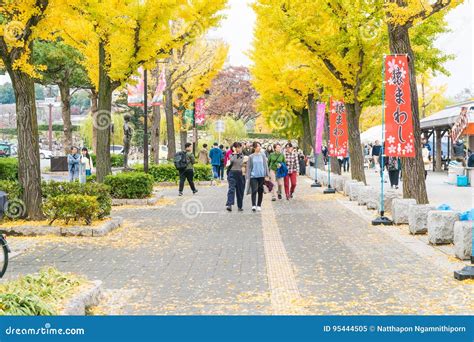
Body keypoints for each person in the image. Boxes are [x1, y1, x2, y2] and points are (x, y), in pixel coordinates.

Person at [245, 142, 269, 212]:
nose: (259, 147)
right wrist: (248, 176)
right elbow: (249, 167)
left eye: (260, 146)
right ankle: (253, 205)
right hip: (253, 176)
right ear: (254, 148)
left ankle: (259, 205)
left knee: (260, 190)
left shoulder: (263, 156)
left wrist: (267, 175)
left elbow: (265, 166)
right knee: (254, 190)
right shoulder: (251, 157)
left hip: (261, 176)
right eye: (258, 146)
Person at [226, 142, 245, 212]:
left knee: (240, 191)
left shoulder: (242, 155)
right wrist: (234, 153)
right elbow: (232, 160)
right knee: (231, 189)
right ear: (234, 148)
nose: (240, 149)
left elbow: (241, 162)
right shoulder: (231, 155)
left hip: (240, 174)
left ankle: (240, 206)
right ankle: (229, 205)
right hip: (232, 173)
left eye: (240, 147)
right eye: (238, 147)